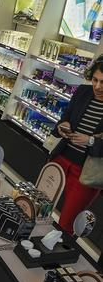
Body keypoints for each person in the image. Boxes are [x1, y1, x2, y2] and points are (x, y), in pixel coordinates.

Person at [52, 56, 103, 234]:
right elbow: (65, 118)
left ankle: (53, 259)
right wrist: (63, 125)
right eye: (95, 80)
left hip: (86, 173)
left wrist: (90, 141)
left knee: (66, 224)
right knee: (37, 205)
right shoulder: (82, 91)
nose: (97, 86)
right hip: (61, 159)